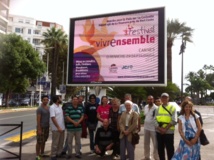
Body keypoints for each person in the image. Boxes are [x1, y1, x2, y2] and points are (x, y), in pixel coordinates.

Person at [154, 93, 177, 160]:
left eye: (165, 97)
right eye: (163, 98)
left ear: (168, 98)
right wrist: (160, 129)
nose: (164, 99)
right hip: (159, 132)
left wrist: (165, 129)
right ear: (161, 99)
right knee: (160, 149)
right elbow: (154, 120)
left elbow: (174, 120)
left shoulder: (172, 108)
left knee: (170, 149)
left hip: (169, 132)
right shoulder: (158, 108)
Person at [143, 95, 159, 160]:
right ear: (147, 100)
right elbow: (145, 115)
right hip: (146, 127)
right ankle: (147, 157)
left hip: (153, 128)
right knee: (146, 143)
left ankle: (156, 157)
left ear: (153, 100)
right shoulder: (146, 107)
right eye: (148, 99)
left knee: (155, 144)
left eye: (151, 99)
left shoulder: (156, 108)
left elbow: (156, 118)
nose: (150, 100)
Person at [49, 95, 65, 160]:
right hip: (56, 128)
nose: (61, 99)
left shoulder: (60, 107)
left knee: (61, 142)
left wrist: (62, 127)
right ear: (57, 99)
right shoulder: (52, 107)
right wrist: (58, 127)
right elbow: (53, 118)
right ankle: (53, 155)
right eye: (60, 98)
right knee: (55, 142)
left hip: (62, 127)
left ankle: (59, 153)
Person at [35, 95, 50, 160]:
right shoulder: (40, 109)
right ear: (42, 100)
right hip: (41, 127)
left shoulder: (48, 108)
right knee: (39, 141)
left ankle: (42, 153)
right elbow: (38, 119)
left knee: (44, 141)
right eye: (44, 100)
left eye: (47, 100)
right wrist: (39, 129)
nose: (46, 101)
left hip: (47, 127)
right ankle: (37, 155)